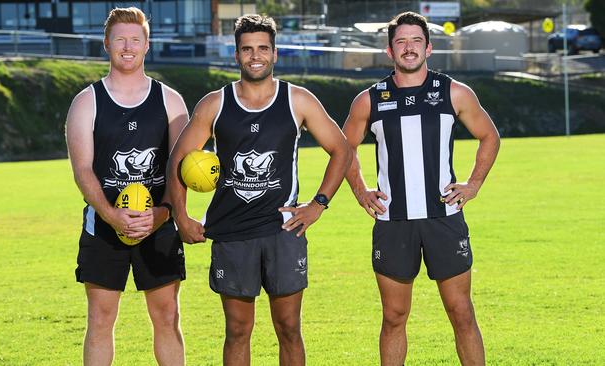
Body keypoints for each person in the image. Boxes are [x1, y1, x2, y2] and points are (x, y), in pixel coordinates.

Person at [167, 14, 351, 366]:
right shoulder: (214, 104)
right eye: (247, 49)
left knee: (288, 328)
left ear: (275, 53)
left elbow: (341, 150)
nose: (255, 56)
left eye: (263, 48)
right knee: (237, 330)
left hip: (283, 231)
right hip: (231, 234)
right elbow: (179, 158)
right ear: (236, 55)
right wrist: (181, 216)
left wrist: (318, 204)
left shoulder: (298, 100)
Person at [342, 11, 500, 366]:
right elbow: (344, 148)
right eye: (401, 42)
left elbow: (490, 136)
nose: (408, 48)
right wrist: (361, 190)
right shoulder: (370, 99)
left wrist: (473, 184)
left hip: (444, 219)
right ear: (389, 50)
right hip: (394, 222)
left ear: (428, 48)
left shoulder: (453, 92)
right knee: (394, 317)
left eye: (416, 41)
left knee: (462, 314)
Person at [65, 7, 189, 365]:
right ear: (106, 43)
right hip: (104, 225)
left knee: (168, 317)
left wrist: (165, 213)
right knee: (100, 320)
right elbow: (83, 170)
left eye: (135, 39)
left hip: (159, 225)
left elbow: (178, 168)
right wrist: (111, 214)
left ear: (147, 44)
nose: (127, 46)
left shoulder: (171, 101)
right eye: (120, 38)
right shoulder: (86, 102)